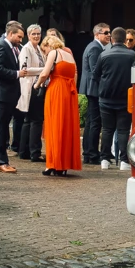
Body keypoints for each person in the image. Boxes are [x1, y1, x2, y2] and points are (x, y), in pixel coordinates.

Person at [38, 31, 80, 176]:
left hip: (56, 90)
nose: (45, 52)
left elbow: (44, 73)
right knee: (67, 127)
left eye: (45, 49)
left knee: (53, 126)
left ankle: (53, 163)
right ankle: (63, 165)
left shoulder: (54, 53)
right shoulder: (69, 55)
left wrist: (37, 85)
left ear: (48, 45)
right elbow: (75, 75)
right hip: (70, 92)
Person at [92, 28, 135, 168]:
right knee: (123, 130)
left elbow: (95, 75)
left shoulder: (104, 54)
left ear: (112, 39)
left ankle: (104, 159)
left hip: (106, 97)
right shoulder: (132, 55)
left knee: (106, 129)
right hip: (125, 98)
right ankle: (124, 160)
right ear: (124, 40)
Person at [0, 20, 25, 171]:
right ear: (10, 34)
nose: (21, 41)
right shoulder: (2, 45)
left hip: (6, 94)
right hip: (2, 94)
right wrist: (17, 74)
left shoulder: (9, 46)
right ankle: (2, 162)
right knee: (1, 128)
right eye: (19, 37)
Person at [79, 23, 109, 163]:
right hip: (94, 89)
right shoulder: (95, 48)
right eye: (106, 32)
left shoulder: (95, 47)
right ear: (97, 34)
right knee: (94, 122)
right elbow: (94, 71)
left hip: (91, 88)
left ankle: (88, 153)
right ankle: (91, 153)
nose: (109, 35)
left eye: (109, 32)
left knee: (92, 121)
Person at [17, 24, 47, 160]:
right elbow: (25, 69)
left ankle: (25, 152)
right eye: (33, 34)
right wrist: (44, 69)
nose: (36, 36)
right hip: (31, 87)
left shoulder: (38, 49)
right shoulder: (26, 49)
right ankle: (34, 152)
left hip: (37, 85)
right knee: (36, 120)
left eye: (38, 34)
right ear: (28, 36)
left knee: (29, 120)